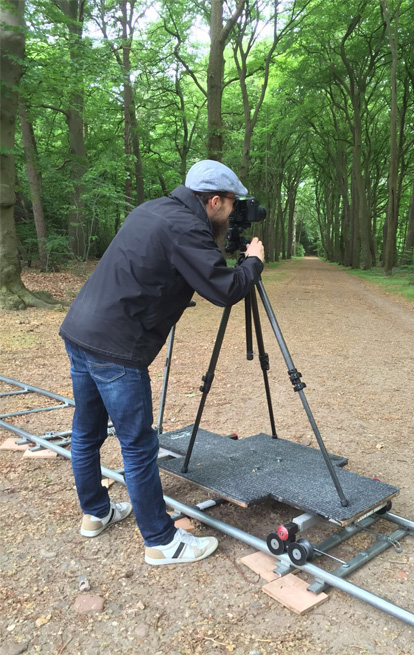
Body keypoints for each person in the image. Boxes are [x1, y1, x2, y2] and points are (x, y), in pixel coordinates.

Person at [59, 160, 265, 565]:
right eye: (231, 207)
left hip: (80, 332)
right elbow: (224, 289)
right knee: (138, 446)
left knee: (86, 432)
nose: (233, 214)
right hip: (117, 347)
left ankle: (95, 514)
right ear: (215, 201)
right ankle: (161, 541)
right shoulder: (186, 228)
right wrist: (253, 262)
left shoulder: (151, 209)